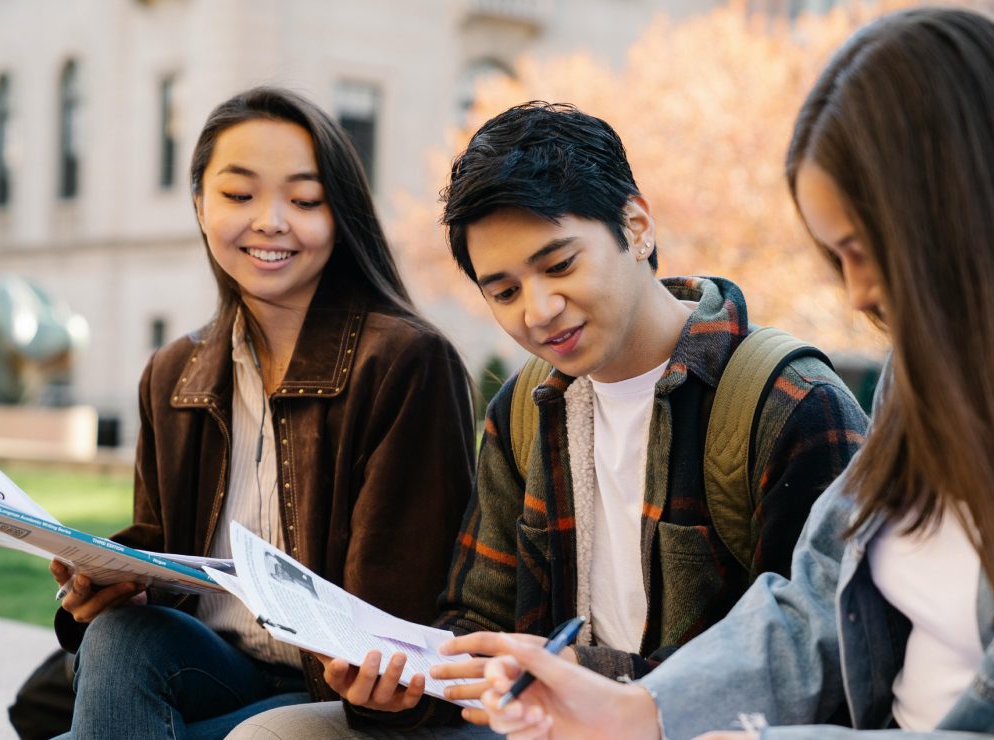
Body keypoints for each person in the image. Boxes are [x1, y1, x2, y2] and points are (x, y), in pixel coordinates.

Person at [472, 7, 994, 739]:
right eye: (838, 259)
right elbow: (818, 598)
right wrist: (642, 710)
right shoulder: (930, 365)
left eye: (866, 249)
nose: (857, 292)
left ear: (972, 204)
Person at [232, 103, 869, 738]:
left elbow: (818, 659)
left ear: (636, 225)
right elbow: (474, 617)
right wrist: (407, 685)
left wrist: (584, 676)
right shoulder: (525, 408)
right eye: (504, 292)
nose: (539, 310)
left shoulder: (787, 400)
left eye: (560, 265)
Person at [47, 86, 475, 739]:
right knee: (122, 634)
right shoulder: (173, 373)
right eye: (238, 195)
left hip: (337, 693)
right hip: (213, 667)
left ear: (342, 216)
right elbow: (164, 550)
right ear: (199, 204)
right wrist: (106, 583)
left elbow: (400, 616)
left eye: (304, 200)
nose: (271, 221)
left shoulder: (405, 363)